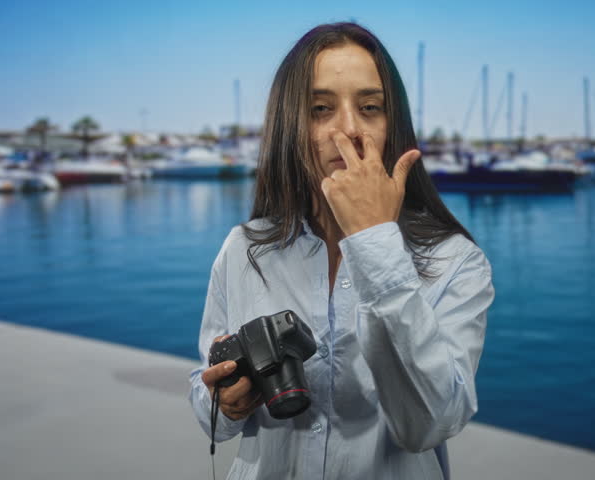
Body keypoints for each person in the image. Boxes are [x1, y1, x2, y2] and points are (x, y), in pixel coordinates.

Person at [189, 22, 494, 480]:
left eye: (370, 107)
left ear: (394, 125)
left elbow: (430, 425)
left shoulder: (456, 261)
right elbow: (204, 391)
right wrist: (222, 402)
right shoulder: (244, 249)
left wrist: (375, 243)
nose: (348, 129)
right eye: (320, 108)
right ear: (288, 124)